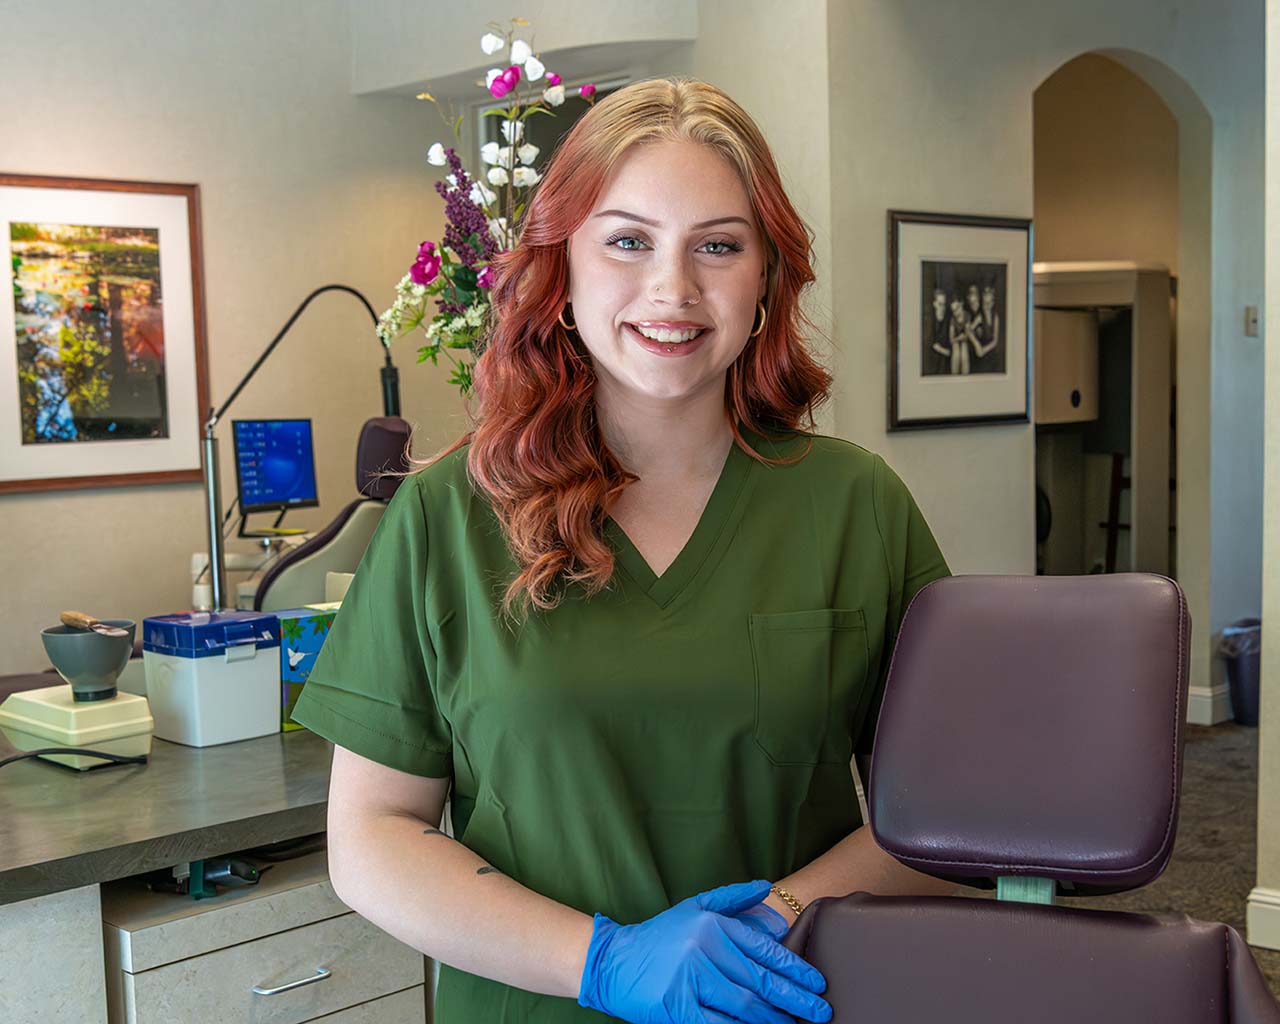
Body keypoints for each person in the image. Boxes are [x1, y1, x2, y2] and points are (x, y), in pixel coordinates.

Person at [290, 76, 953, 1024]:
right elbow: (370, 838)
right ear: (562, 266)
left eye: (718, 245)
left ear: (766, 275)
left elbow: (942, 813)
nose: (672, 290)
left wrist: (775, 917)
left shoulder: (856, 506)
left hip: (785, 1001)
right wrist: (602, 962)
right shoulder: (446, 517)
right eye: (628, 241)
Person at [926, 286, 952, 374]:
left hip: (944, 360)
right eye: (940, 304)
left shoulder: (948, 318)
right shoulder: (929, 319)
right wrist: (945, 351)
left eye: (944, 304)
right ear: (934, 304)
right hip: (932, 358)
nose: (942, 307)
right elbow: (931, 343)